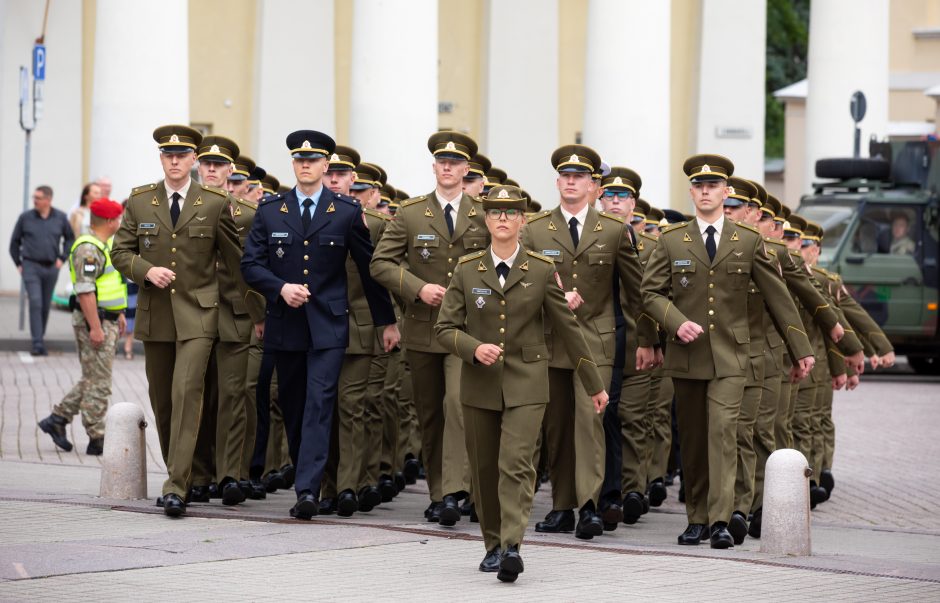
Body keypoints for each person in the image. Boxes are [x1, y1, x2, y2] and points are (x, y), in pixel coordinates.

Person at [435, 185, 608, 583]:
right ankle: (492, 544)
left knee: (515, 464)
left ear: (522, 220)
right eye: (495, 212)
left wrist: (593, 384)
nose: (502, 219)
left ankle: (512, 545)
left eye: (511, 213)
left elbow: (569, 330)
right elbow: (445, 328)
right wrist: (473, 348)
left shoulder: (542, 269)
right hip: (479, 384)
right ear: (485, 218)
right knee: (483, 469)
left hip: (528, 383)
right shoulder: (466, 269)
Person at [641, 154, 814, 549]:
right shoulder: (672, 240)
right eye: (699, 186)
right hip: (687, 357)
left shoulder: (748, 241)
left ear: (725, 192)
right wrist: (673, 321)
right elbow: (649, 294)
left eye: (713, 186)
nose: (705, 191)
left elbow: (779, 299)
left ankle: (720, 519)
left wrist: (800, 348)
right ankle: (696, 518)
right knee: (695, 438)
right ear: (691, 192)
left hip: (732, 357)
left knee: (722, 433)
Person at [241, 129, 397, 520]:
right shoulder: (271, 209)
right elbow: (250, 265)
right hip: (286, 324)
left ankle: (308, 490)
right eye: (299, 160)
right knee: (292, 407)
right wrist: (279, 288)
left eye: (312, 160)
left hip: (328, 326)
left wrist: (386, 322)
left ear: (326, 166)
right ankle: (307, 473)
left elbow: (370, 269)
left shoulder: (344, 211)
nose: (305, 165)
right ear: (293, 165)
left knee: (319, 404)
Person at [111, 125, 252, 518]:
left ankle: (176, 486)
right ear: (161, 159)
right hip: (157, 317)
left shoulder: (212, 202)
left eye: (181, 155)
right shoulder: (140, 201)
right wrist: (145, 270)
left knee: (187, 394)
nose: (174, 161)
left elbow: (238, 262)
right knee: (164, 403)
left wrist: (258, 312)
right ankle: (184, 473)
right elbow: (119, 252)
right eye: (167, 155)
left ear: (193, 160)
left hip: (200, 314)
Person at [521, 145, 652, 541]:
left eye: (580, 177)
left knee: (589, 423)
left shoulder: (613, 230)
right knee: (557, 426)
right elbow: (522, 283)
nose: (571, 182)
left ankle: (590, 506)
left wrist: (646, 339)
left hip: (596, 339)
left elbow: (636, 293)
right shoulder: (536, 228)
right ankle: (562, 506)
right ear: (558, 182)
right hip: (551, 338)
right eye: (566, 176)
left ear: (593, 184)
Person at [370, 131, 488, 525]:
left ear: (466, 169)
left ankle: (457, 491)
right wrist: (419, 289)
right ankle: (441, 492)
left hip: (467, 330)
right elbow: (382, 264)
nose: (448, 167)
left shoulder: (484, 213)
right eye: (442, 161)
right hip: (423, 329)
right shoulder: (410, 213)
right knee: (430, 413)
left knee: (457, 405)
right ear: (435, 167)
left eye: (455, 163)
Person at [38, 199, 127, 455]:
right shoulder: (88, 248)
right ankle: (97, 437)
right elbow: (86, 292)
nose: (120, 224)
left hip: (106, 318)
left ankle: (57, 420)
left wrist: (118, 313)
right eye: (118, 219)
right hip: (95, 322)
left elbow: (108, 284)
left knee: (93, 378)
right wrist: (96, 327)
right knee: (100, 383)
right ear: (110, 222)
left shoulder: (102, 244)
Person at [10, 185, 75, 356]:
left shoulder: (60, 218)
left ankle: (40, 336)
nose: (35, 201)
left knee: (45, 305)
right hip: (30, 266)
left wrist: (62, 259)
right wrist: (19, 263)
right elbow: (14, 243)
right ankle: (37, 343)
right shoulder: (25, 218)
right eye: (34, 197)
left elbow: (70, 239)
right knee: (36, 301)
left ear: (48, 200)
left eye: (38, 198)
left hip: (51, 267)